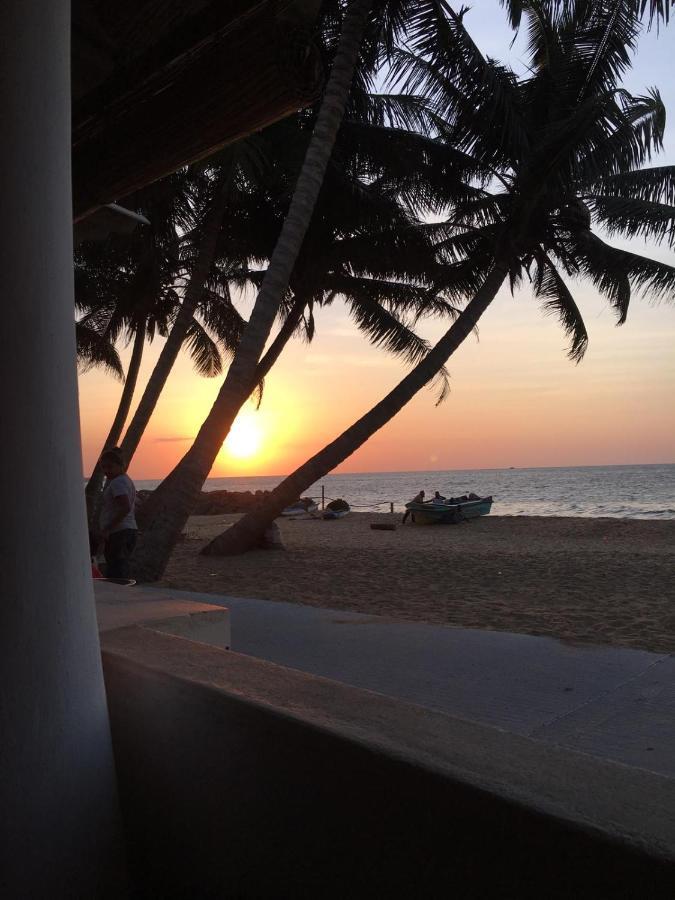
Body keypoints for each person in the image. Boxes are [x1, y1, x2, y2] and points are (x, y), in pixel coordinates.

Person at [98, 447, 137, 579]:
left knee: (116, 572)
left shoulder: (117, 483)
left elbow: (125, 507)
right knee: (121, 569)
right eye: (103, 467)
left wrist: (107, 528)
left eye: (109, 466)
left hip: (119, 533)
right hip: (128, 530)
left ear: (120, 465)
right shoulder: (126, 480)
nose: (106, 471)